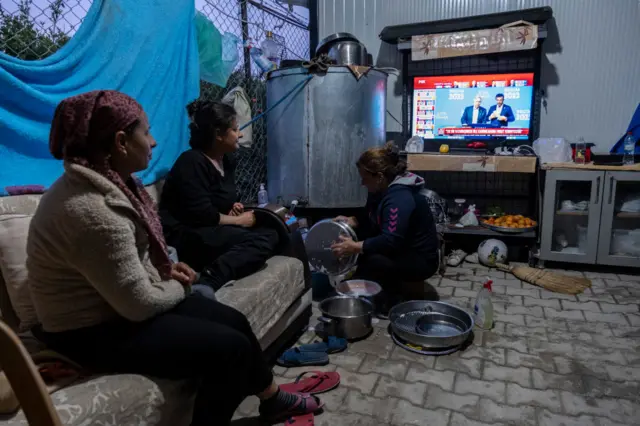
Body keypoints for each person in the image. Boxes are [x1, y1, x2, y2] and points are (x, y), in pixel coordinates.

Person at [27, 90, 321, 425]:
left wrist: (164, 271)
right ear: (121, 142)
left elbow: (133, 262)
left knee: (234, 321)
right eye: (146, 133)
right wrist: (181, 287)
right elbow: (137, 304)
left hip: (117, 306)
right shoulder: (91, 209)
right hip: (90, 330)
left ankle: (272, 400)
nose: (153, 142)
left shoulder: (115, 185)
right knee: (229, 349)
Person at [159, 100, 279, 294]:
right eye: (234, 129)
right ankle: (208, 280)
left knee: (275, 231)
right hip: (187, 235)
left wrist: (232, 210)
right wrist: (237, 220)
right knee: (260, 241)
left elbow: (219, 202)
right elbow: (201, 215)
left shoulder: (226, 160)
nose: (240, 134)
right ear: (218, 134)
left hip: (210, 230)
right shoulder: (192, 162)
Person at [330, 142, 439, 314]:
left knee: (372, 259)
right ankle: (367, 291)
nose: (362, 182)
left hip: (421, 259)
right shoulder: (380, 190)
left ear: (379, 176)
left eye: (364, 177)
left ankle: (392, 301)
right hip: (403, 247)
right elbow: (375, 218)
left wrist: (355, 247)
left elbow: (391, 240)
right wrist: (353, 220)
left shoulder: (399, 197)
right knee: (365, 249)